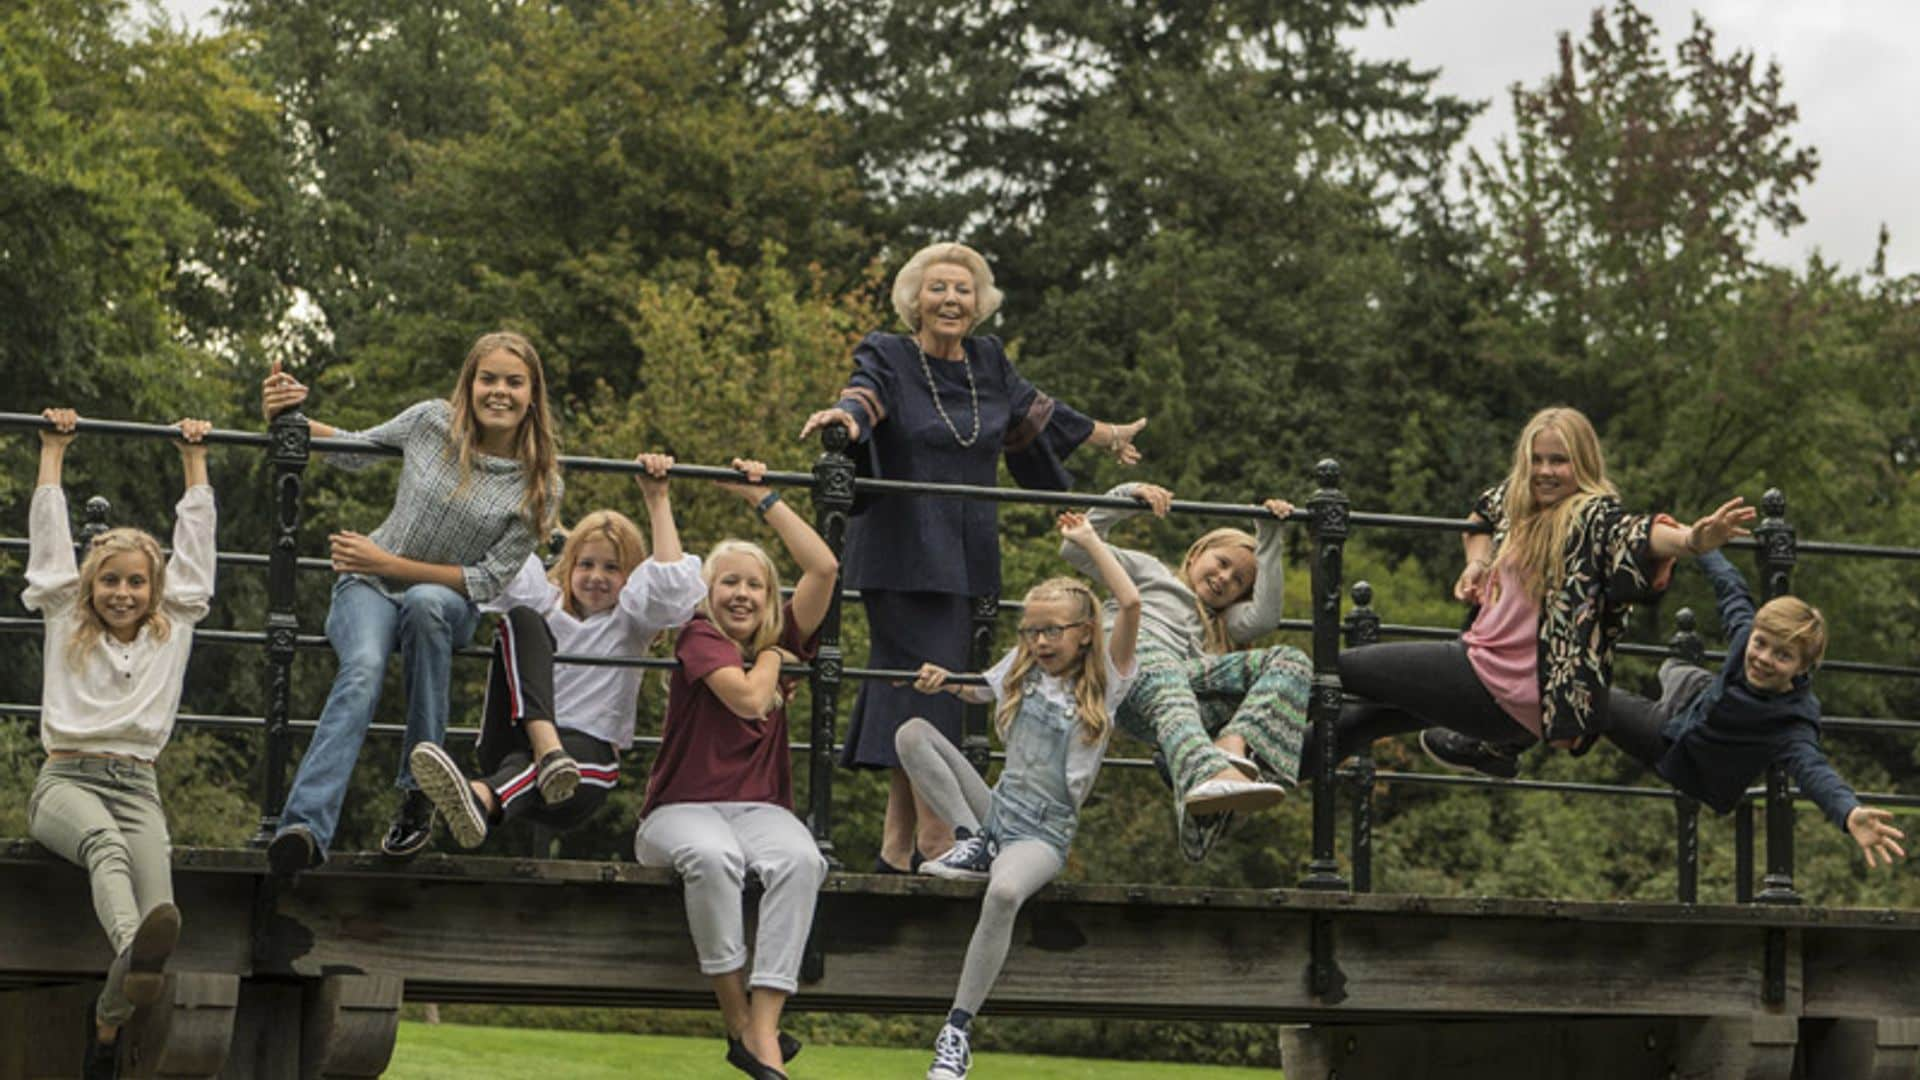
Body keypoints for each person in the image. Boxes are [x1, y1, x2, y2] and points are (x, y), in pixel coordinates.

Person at [798, 241, 1146, 874]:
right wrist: (845, 419)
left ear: (979, 303)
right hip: (903, 553)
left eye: (963, 290)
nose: (951, 299)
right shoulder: (890, 354)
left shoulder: (988, 363)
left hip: (967, 555)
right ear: (915, 300)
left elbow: (1038, 415)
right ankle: (940, 835)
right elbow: (865, 397)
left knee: (926, 687)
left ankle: (896, 849)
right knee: (924, 684)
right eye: (938, 289)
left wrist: (1108, 434)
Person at [264, 331, 563, 874]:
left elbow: (487, 580)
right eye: (488, 378)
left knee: (426, 602)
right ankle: (303, 826)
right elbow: (355, 451)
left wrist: (391, 564)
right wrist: (290, 417)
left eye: (514, 382)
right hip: (367, 588)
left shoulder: (539, 485)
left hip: (447, 602)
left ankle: (418, 794)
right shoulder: (431, 423)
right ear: (469, 385)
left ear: (532, 394)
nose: (500, 391)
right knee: (362, 670)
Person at [1319, 406, 1755, 773]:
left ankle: (1254, 704)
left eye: (1559, 461)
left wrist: (1693, 540)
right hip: (1497, 685)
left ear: (1582, 465)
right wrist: (1478, 563)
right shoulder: (1518, 500)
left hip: (1497, 683)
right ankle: (1256, 779)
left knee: (1333, 668)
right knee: (1358, 722)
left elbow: (1639, 536)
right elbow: (1480, 517)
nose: (1546, 471)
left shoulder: (1591, 518)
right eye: (1538, 460)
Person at [898, 511, 1142, 1080]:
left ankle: (956, 1032)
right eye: (1030, 631)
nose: (1039, 641)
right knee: (912, 734)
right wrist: (943, 679)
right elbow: (978, 690)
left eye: (1051, 630)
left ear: (1084, 630)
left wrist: (1088, 541)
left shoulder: (1110, 674)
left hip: (1041, 834)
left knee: (1005, 891)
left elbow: (1129, 603)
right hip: (996, 813)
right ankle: (970, 840)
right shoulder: (1025, 665)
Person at [25, 408, 215, 1077]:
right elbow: (49, 545)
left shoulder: (174, 627)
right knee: (113, 867)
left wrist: (194, 460)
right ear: (90, 587)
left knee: (164, 909)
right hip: (67, 783)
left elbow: (195, 553)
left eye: (136, 582)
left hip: (139, 787)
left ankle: (106, 1028)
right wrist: (53, 451)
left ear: (154, 588)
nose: (124, 593)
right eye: (110, 581)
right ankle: (133, 952)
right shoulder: (64, 616)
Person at [633, 459, 838, 1080]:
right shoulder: (698, 636)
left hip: (758, 811)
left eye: (755, 584)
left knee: (803, 860)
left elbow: (824, 567)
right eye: (728, 582)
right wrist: (776, 656)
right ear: (707, 593)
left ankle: (764, 1027)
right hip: (678, 813)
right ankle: (735, 1019)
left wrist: (763, 497)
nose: (743, 594)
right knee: (715, 857)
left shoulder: (778, 636)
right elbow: (750, 699)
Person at [408, 453, 704, 848]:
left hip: (582, 769)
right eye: (586, 564)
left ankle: (481, 797)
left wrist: (658, 499)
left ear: (630, 577)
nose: (596, 577)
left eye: (612, 568)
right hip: (510, 742)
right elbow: (496, 556)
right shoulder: (543, 601)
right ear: (569, 566)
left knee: (550, 763)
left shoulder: (632, 619)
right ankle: (541, 752)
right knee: (521, 618)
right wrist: (517, 484)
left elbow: (672, 586)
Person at [1603, 550, 1905, 867]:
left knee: (1597, 701)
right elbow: (1731, 588)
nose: (1763, 659)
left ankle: (1574, 721)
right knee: (1673, 668)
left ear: (1802, 669)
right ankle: (1678, 666)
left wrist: (1848, 812)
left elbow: (1814, 771)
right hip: (1694, 698)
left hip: (1678, 749)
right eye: (1760, 643)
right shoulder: (1747, 637)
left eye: (1782, 656)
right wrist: (1698, 544)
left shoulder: (1791, 723)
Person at [1061, 482, 1312, 860]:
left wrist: (1270, 535)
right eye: (1222, 563)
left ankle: (1229, 748)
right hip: (1123, 666)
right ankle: (1206, 776)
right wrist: (1129, 496)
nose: (1225, 578)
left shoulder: (1221, 624)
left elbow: (1265, 619)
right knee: (1163, 669)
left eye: (1239, 581)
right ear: (1196, 555)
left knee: (1293, 661)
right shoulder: (1151, 573)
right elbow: (1074, 547)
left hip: (1174, 696)